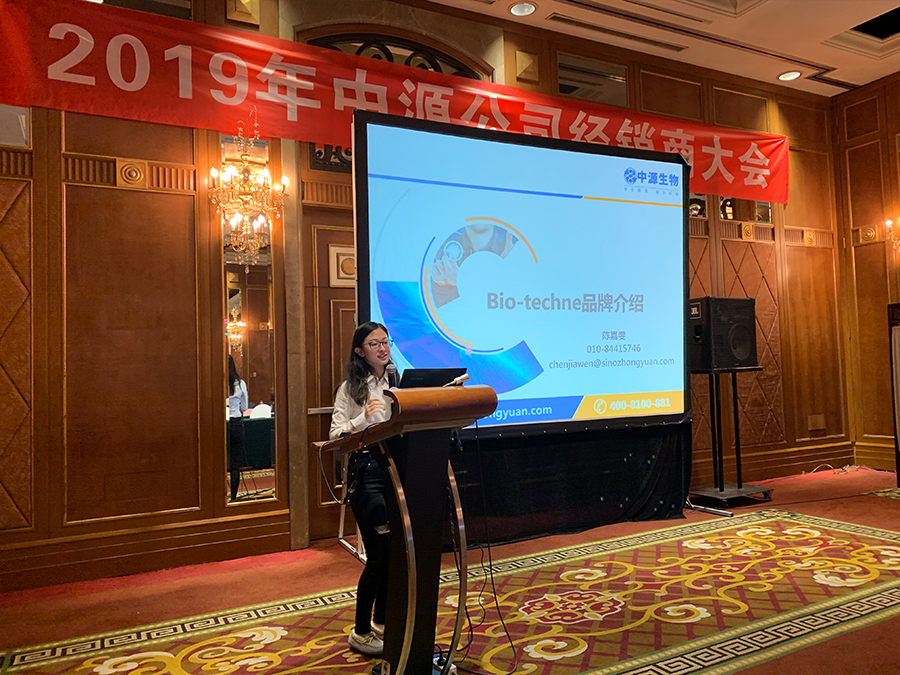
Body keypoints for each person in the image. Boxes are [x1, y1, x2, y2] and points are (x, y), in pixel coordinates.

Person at [330, 322, 394, 656]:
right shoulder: (350, 388)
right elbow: (335, 435)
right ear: (360, 351)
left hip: (396, 469)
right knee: (378, 556)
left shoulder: (397, 382)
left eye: (385, 341)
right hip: (366, 471)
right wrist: (362, 420)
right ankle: (360, 631)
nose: (382, 348)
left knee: (394, 554)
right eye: (374, 344)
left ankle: (382, 621)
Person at [227, 354, 249, 501]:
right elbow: (245, 407)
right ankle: (233, 497)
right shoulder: (240, 384)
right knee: (235, 464)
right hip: (235, 423)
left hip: (219, 424)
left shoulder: (213, 382)